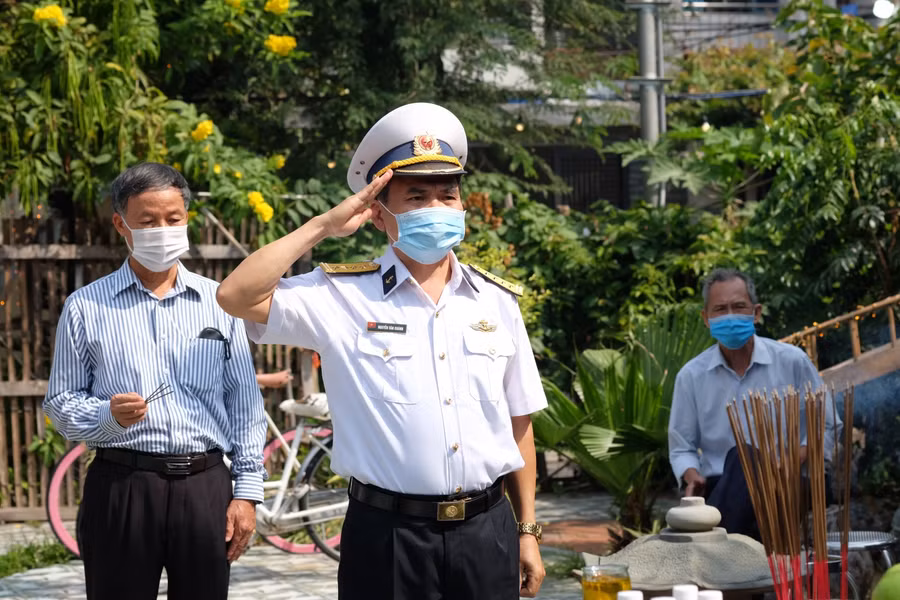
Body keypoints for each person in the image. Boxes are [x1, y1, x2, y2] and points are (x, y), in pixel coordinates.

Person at [216, 102, 547, 599]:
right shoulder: (341, 295)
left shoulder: (496, 301)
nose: (436, 208)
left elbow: (519, 421)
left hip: (487, 531)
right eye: (416, 196)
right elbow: (235, 295)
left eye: (448, 195)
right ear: (377, 212)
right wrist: (323, 226)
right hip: (387, 536)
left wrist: (528, 531)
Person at [43, 163, 266, 600]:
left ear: (187, 219)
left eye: (172, 218)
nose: (162, 230)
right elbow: (60, 402)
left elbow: (245, 404)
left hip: (205, 487)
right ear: (120, 224)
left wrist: (246, 493)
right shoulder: (86, 307)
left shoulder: (220, 302)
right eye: (146, 221)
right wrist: (106, 415)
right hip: (122, 484)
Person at [668, 268, 841, 538]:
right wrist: (692, 476)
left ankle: (711, 546)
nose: (730, 316)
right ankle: (730, 549)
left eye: (738, 307)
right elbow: (681, 448)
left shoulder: (792, 361)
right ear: (706, 319)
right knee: (741, 461)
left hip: (790, 481)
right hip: (721, 484)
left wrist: (795, 458)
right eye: (720, 309)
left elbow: (827, 425)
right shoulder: (691, 376)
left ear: (756, 312)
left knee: (745, 458)